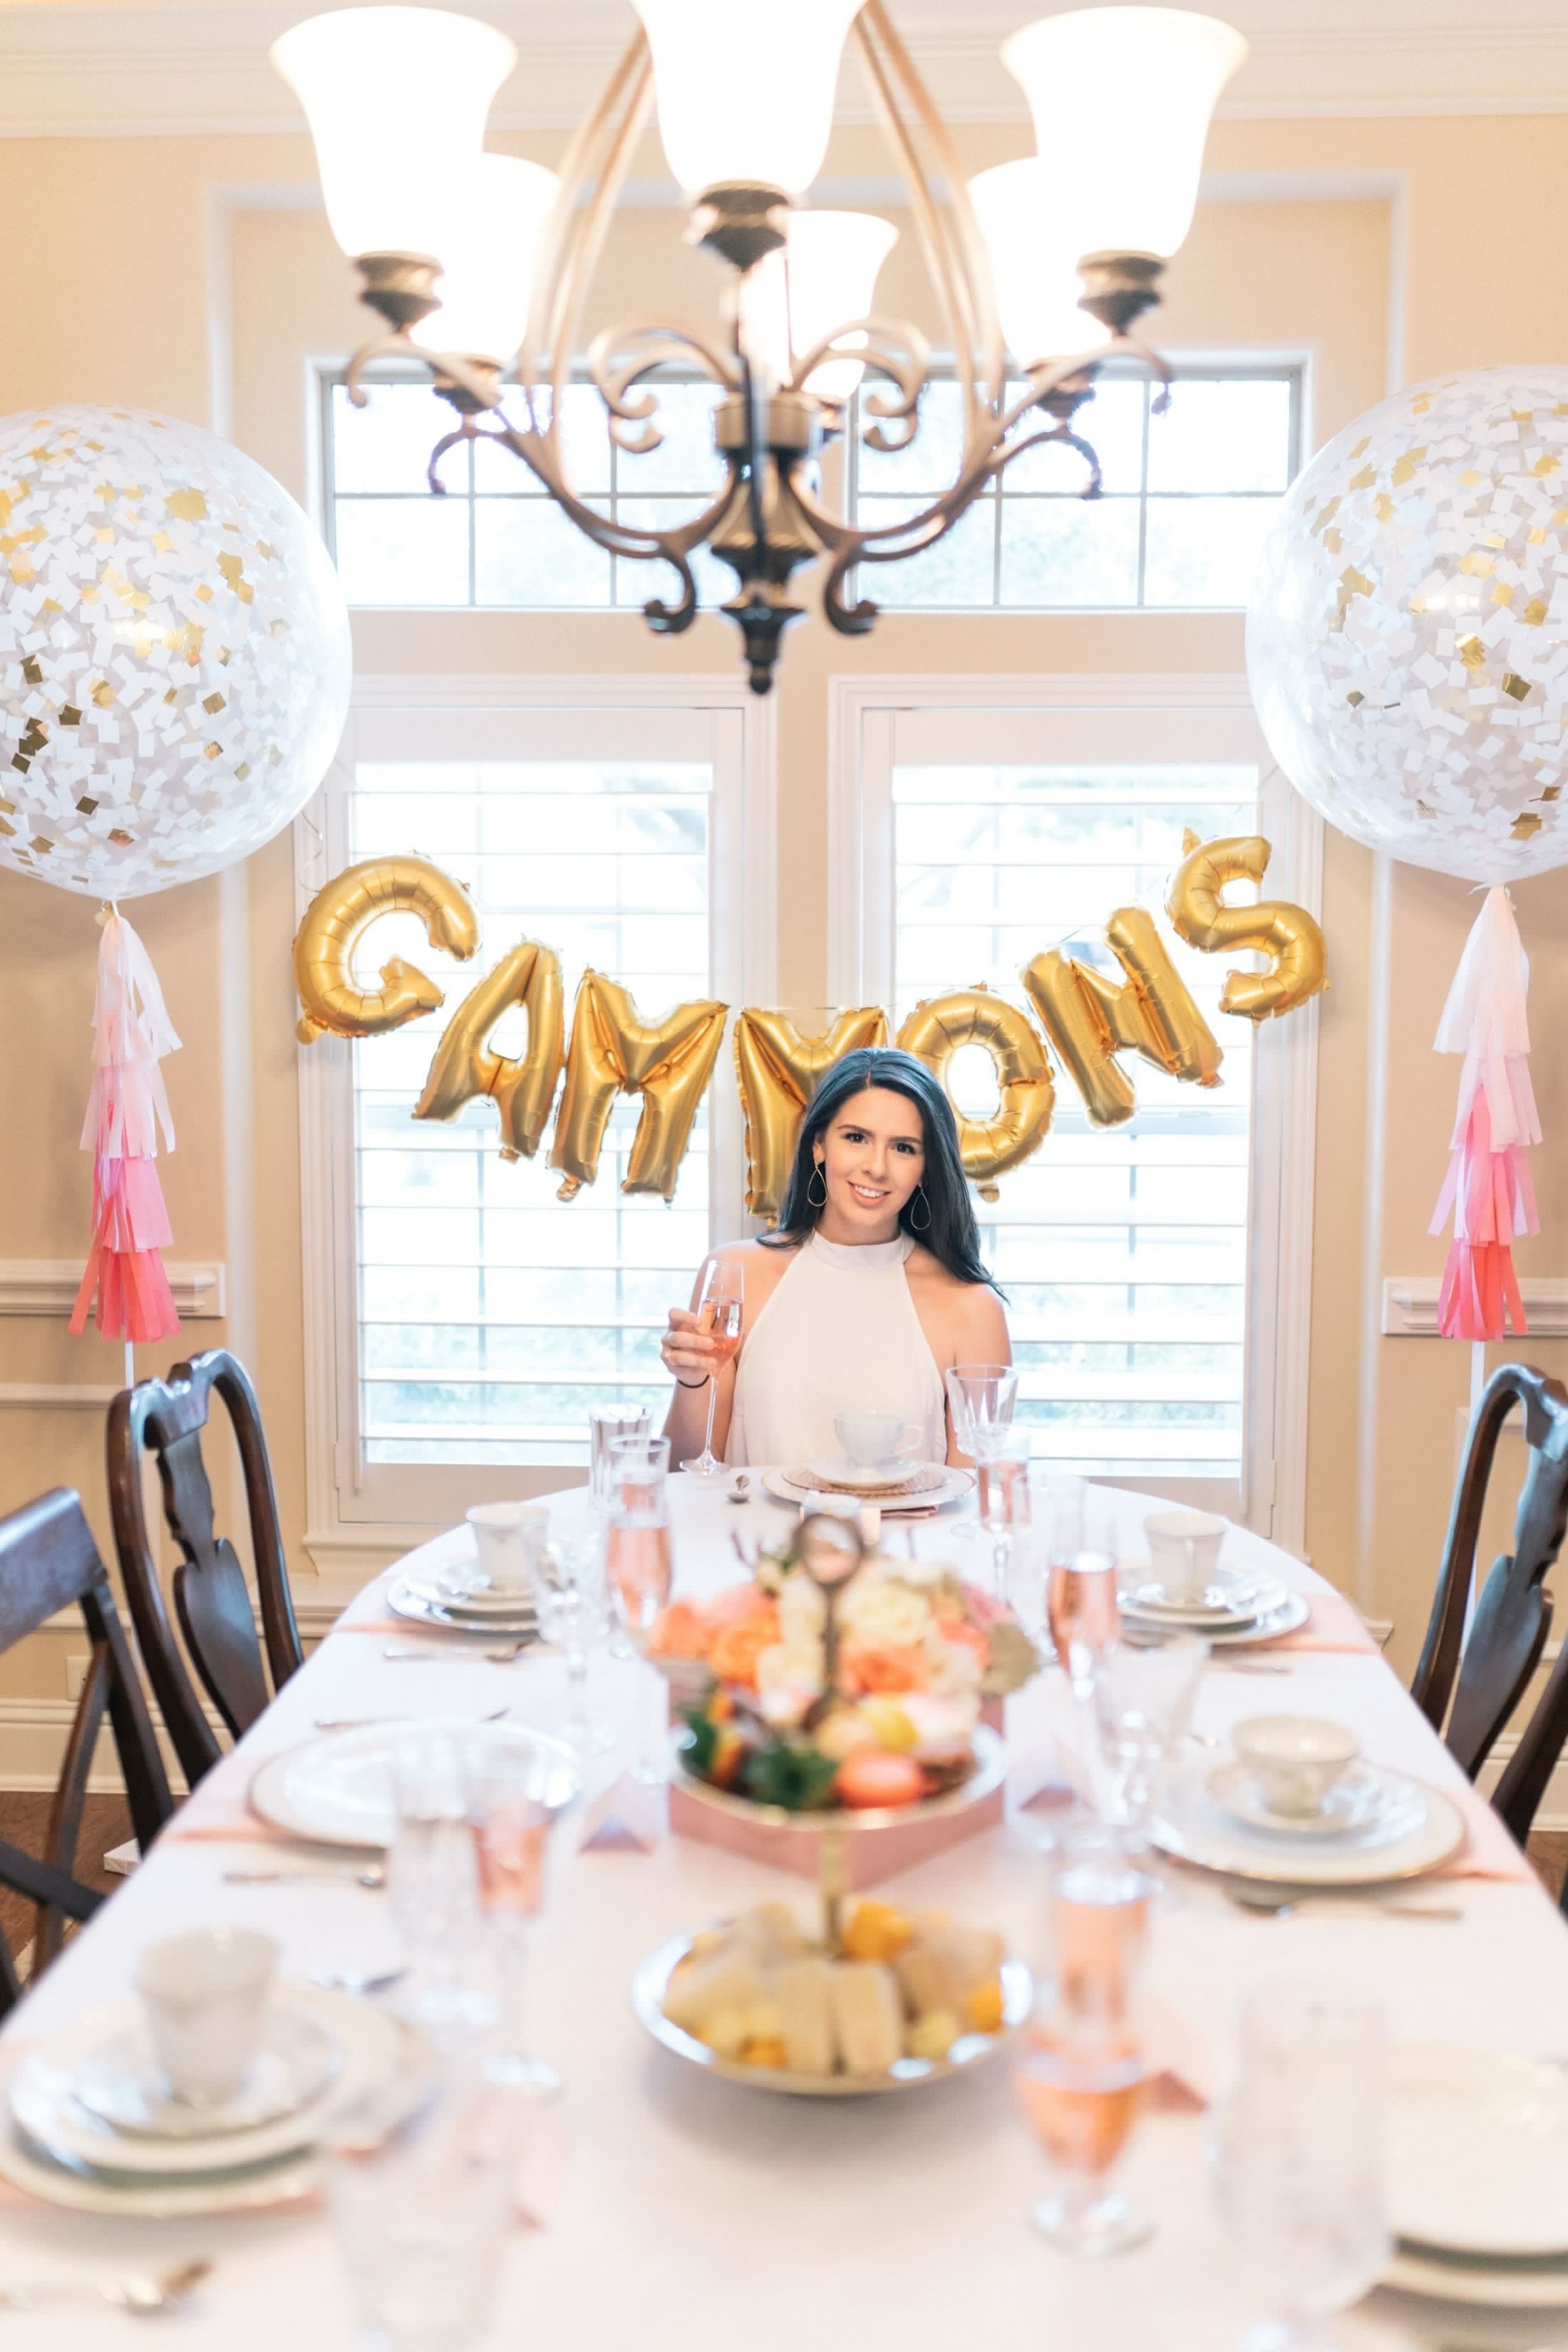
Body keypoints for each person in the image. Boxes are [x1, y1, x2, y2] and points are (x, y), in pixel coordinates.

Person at [661, 1046, 1011, 1468]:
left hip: (908, 1518)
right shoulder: (736, 1275)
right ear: (819, 1145)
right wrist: (693, 1381)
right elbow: (684, 1473)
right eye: (856, 1138)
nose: (876, 1167)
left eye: (903, 1148)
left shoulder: (973, 1308)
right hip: (756, 1518)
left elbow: (974, 1496)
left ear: (926, 1169)